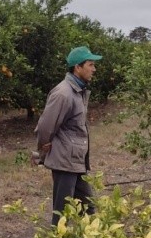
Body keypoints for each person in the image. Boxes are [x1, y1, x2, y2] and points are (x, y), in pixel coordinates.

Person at [35, 46, 102, 225]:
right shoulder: (63, 93)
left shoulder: (78, 91)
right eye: (90, 64)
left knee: (88, 206)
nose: (94, 69)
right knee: (62, 212)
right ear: (77, 67)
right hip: (65, 161)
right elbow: (45, 126)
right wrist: (44, 146)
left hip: (75, 160)